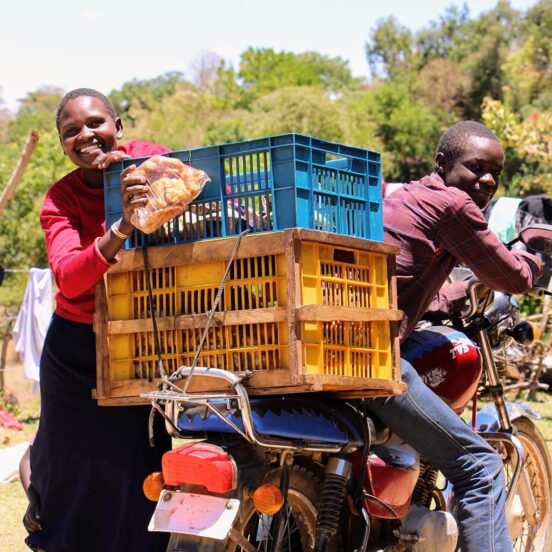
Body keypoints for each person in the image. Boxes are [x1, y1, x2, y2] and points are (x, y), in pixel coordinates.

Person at [366, 121, 542, 552]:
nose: (486, 179)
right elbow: (513, 277)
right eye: (476, 166)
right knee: (480, 466)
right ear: (442, 163)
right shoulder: (452, 206)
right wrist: (537, 257)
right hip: (370, 361)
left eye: (495, 172)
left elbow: (403, 280)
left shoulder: (402, 197)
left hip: (339, 342)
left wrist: (458, 295)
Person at [25, 88, 172, 552]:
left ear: (118, 128)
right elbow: (69, 278)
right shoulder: (60, 199)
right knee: (68, 463)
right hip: (76, 350)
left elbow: (201, 194)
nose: (85, 136)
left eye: (95, 124)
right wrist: (121, 227)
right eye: (71, 132)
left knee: (137, 465)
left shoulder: (154, 163)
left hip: (140, 344)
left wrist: (135, 176)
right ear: (63, 145)